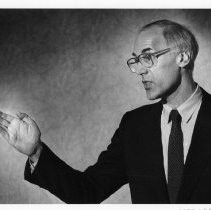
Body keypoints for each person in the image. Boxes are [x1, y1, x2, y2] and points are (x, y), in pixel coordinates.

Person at [0, 19, 210, 204]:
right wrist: (36, 151)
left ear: (182, 57)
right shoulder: (134, 126)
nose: (140, 70)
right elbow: (87, 192)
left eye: (148, 57)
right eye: (136, 60)